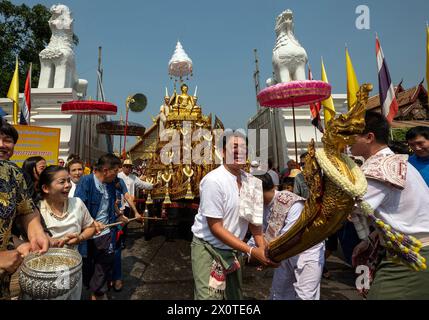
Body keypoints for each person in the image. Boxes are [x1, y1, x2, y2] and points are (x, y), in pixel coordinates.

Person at [350, 111, 429, 299]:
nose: (344, 140)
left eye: (350, 133)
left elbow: (343, 211)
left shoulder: (378, 169)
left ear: (369, 137)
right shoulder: (398, 161)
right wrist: (373, 237)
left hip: (412, 255)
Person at [191, 132, 277, 300]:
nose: (240, 152)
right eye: (234, 148)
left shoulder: (252, 182)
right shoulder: (213, 181)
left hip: (234, 250)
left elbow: (254, 223)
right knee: (210, 298)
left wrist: (263, 250)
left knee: (234, 298)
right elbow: (216, 228)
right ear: (223, 153)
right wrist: (251, 250)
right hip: (208, 248)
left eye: (244, 148)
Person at [24, 165, 96, 300]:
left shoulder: (78, 203)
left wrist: (80, 237)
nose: (68, 185)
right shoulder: (34, 210)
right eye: (62, 182)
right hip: (43, 275)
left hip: (71, 270)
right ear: (46, 188)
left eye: (68, 181)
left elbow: (91, 227)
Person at [0, 118, 50, 300]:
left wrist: (36, 234)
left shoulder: (13, 173)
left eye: (7, 140)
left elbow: (27, 210)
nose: (2, 145)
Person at [258, 174, 325, 300]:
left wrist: (260, 252)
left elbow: (288, 237)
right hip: (282, 253)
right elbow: (259, 232)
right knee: (279, 293)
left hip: (305, 251)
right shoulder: (259, 205)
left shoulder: (290, 202)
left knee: (305, 296)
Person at [74, 153, 128, 300]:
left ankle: (99, 292)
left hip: (106, 233)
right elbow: (79, 207)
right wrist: (91, 223)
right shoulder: (86, 182)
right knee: (88, 265)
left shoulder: (111, 185)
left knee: (104, 265)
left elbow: (110, 206)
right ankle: (94, 290)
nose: (117, 175)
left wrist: (119, 216)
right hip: (88, 234)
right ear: (105, 170)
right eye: (115, 171)